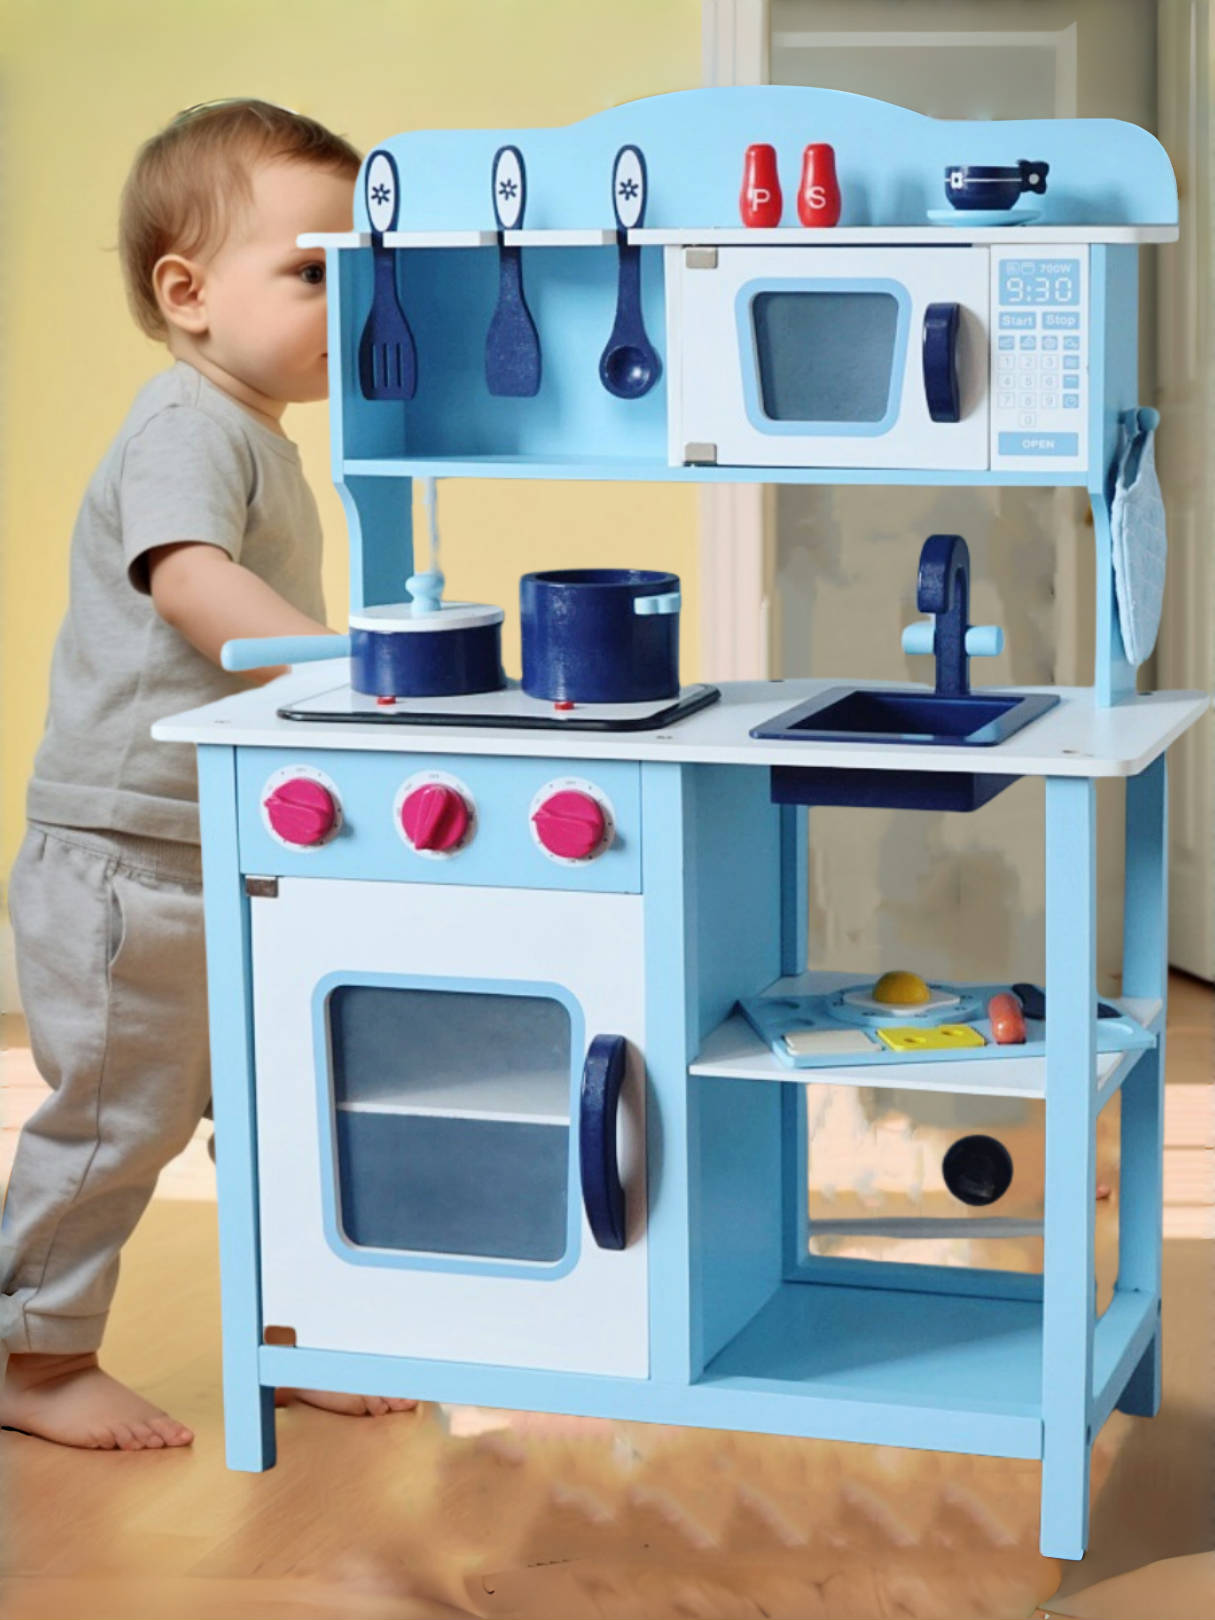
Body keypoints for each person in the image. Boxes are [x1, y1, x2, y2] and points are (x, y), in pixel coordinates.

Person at [0, 98, 414, 1449]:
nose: (347, 301)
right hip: (129, 860)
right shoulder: (186, 422)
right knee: (117, 1120)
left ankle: (289, 1333)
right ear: (188, 294)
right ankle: (32, 1356)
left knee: (279, 1105)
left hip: (222, 849)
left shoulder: (255, 431)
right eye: (312, 273)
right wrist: (354, 669)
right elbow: (190, 585)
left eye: (358, 272)